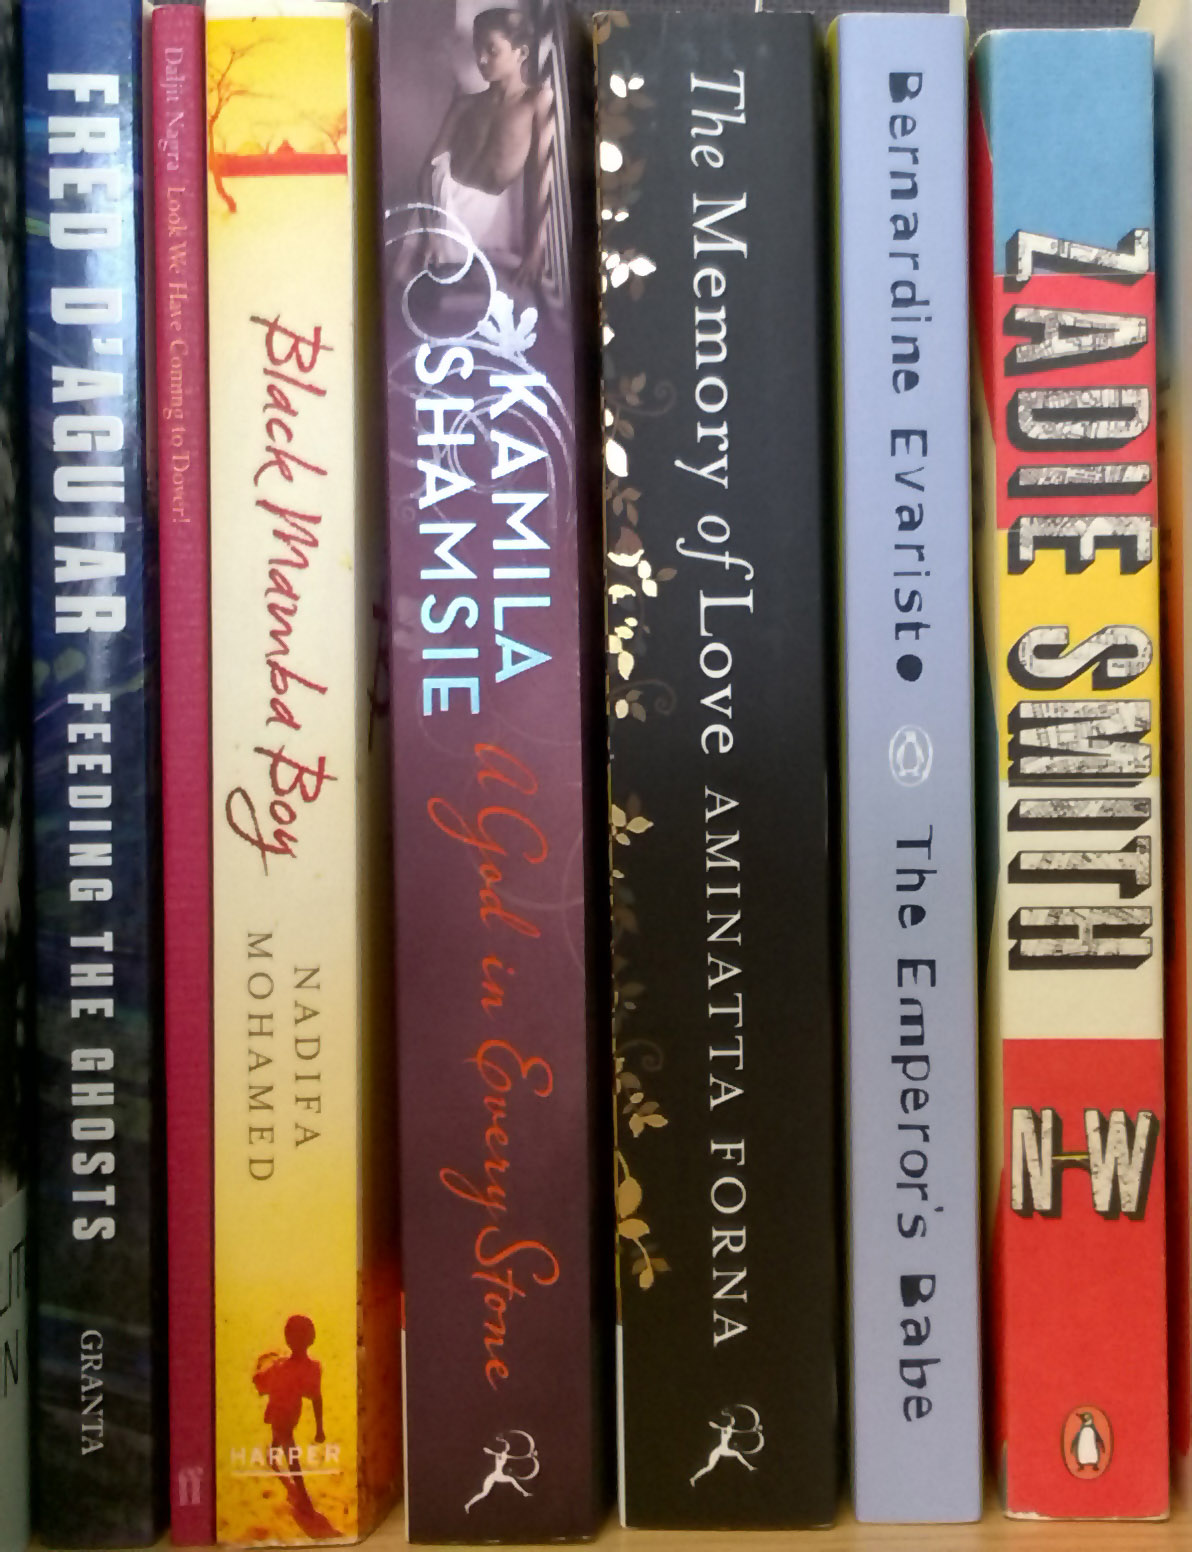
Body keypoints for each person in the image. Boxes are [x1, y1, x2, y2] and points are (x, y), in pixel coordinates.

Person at [415, 8, 552, 286]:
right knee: (428, 279)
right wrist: (430, 233)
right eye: (477, 49)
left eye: (492, 50)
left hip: (487, 212)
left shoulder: (536, 100)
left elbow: (540, 176)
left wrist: (536, 247)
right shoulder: (466, 104)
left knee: (482, 284)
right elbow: (429, 168)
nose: (481, 59)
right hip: (443, 200)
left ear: (521, 53)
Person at [252, 1314, 331, 1533]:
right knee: (291, 1452)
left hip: (286, 1415)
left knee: (279, 1437)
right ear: (312, 1338)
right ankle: (303, 1496)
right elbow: (316, 1399)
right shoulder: (309, 1368)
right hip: (283, 1416)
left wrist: (320, 1428)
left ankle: (271, 1454)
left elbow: (261, 1384)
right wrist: (319, 1428)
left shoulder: (280, 1368)